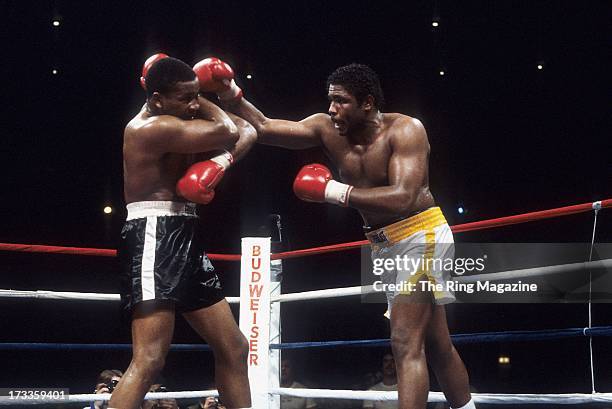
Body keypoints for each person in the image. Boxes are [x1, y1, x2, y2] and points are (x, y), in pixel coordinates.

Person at [202, 60, 475, 409]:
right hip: (383, 244)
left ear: (368, 103)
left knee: (405, 342)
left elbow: (403, 197)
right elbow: (266, 128)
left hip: (421, 235)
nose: (332, 109)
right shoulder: (326, 128)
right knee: (436, 344)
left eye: (342, 101)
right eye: (331, 100)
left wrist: (332, 190)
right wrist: (230, 92)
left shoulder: (405, 130)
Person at [110, 56, 255, 409]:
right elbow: (231, 131)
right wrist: (204, 92)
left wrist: (219, 163)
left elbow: (251, 130)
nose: (193, 105)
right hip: (153, 233)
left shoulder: (178, 117)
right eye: (186, 98)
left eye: (195, 96)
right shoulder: (150, 128)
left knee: (234, 347)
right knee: (150, 359)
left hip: (184, 231)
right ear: (157, 98)